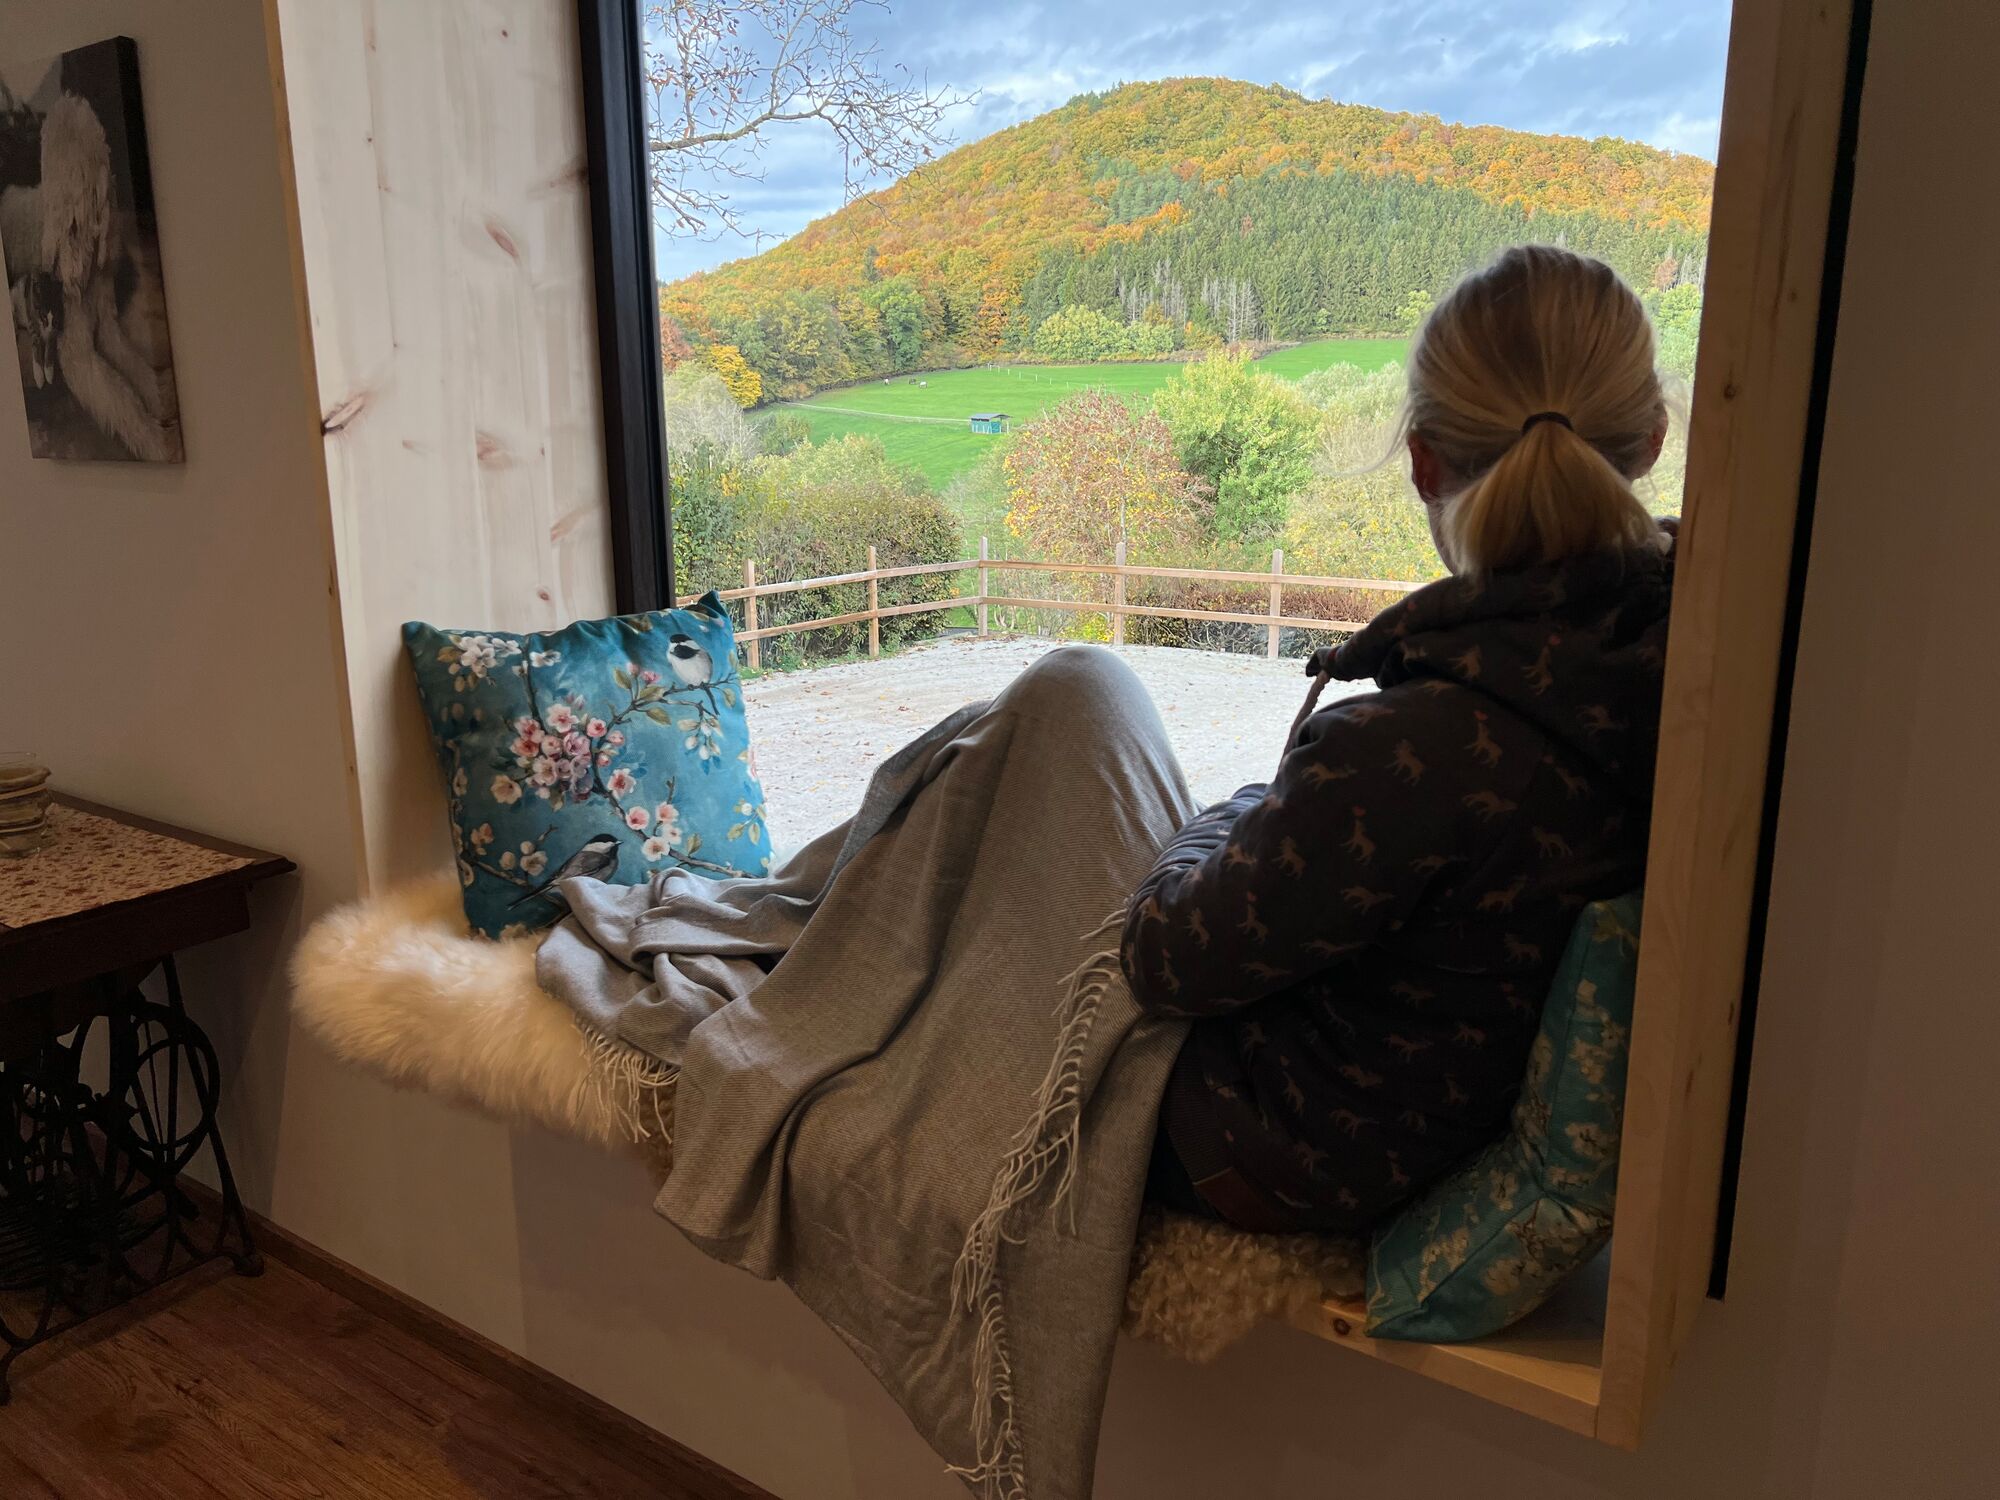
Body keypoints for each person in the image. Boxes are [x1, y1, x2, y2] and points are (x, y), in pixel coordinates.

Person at [1124, 243, 1677, 1232]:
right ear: (1649, 440)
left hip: (1268, 1149)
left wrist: (1232, 814)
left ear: (1421, 459)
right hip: (1433, 1124)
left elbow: (1164, 958)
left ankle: (794, 957)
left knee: (1061, 706)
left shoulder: (1411, 747)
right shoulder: (1689, 660)